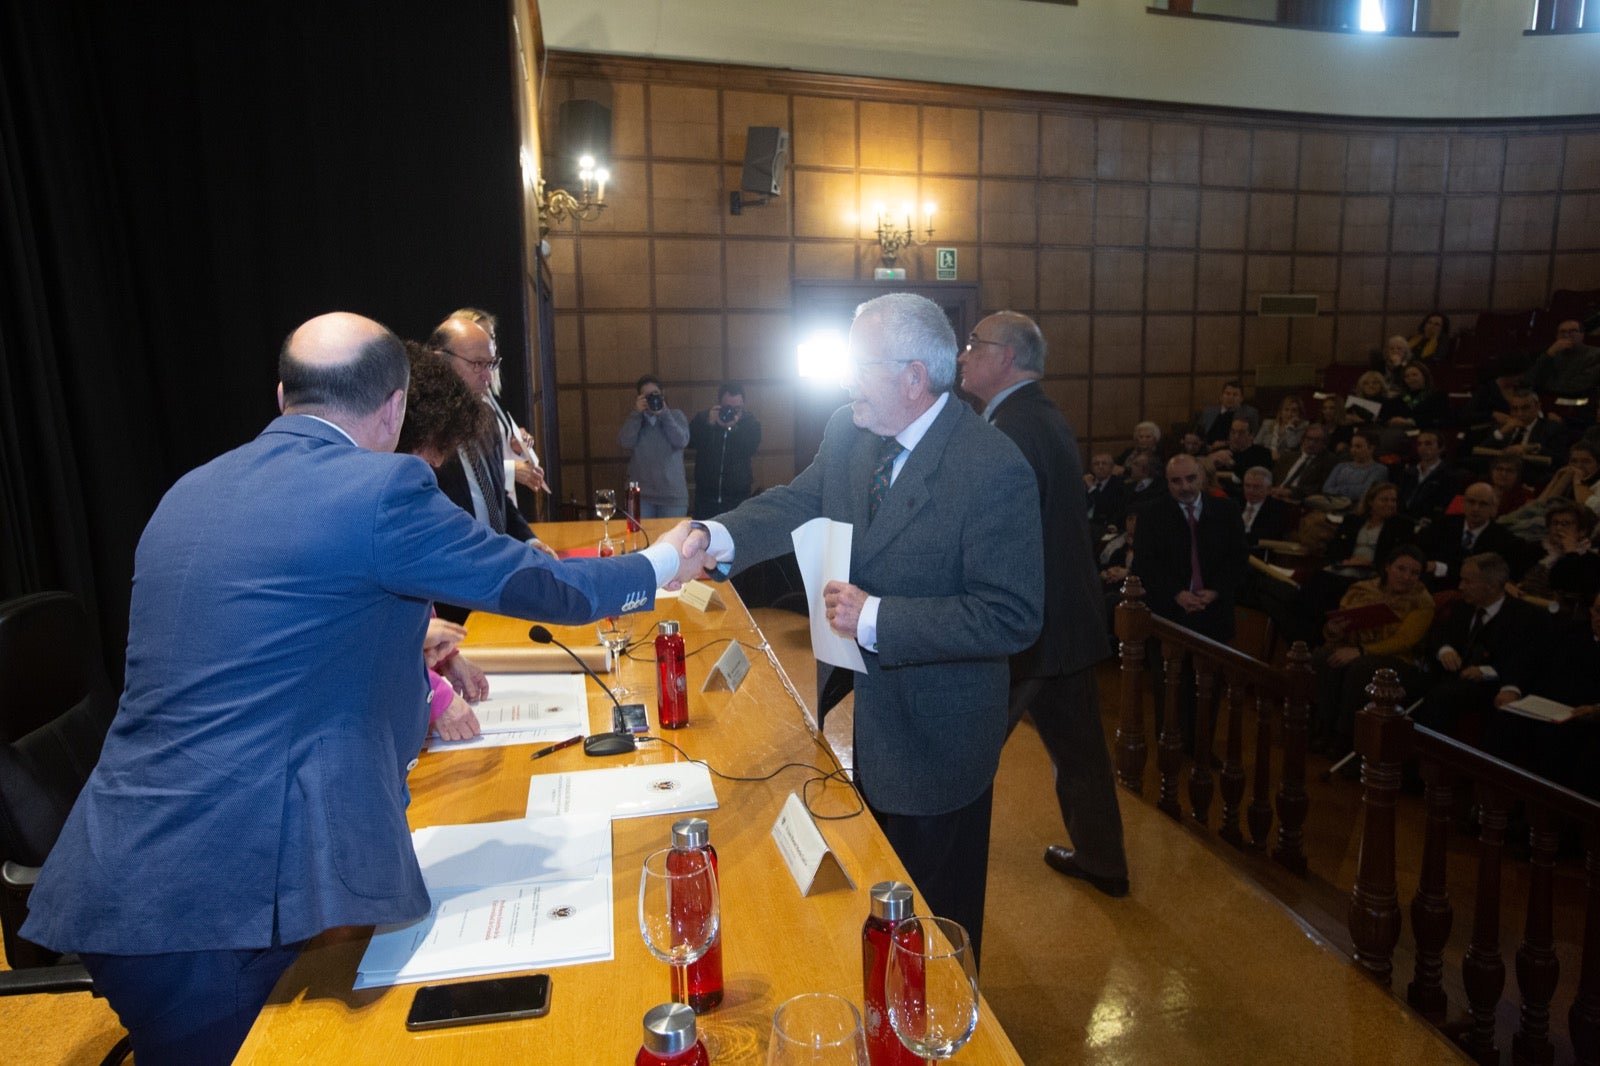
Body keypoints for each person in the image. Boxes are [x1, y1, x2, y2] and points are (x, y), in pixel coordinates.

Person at [18, 313, 708, 1065]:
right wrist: (660, 565)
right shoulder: (379, 489)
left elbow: (273, 647)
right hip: (222, 904)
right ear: (393, 407)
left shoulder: (192, 488)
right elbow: (537, 585)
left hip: (127, 870)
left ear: (284, 394)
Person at [690, 293, 1043, 965]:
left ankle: (942, 1028)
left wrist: (876, 616)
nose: (846, 381)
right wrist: (716, 534)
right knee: (886, 900)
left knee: (938, 925)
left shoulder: (991, 467)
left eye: (859, 365)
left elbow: (1012, 614)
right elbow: (798, 501)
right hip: (871, 725)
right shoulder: (850, 432)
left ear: (913, 377)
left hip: (942, 739)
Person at [958, 310, 1129, 899]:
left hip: (1027, 625)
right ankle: (1104, 861)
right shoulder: (1037, 415)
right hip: (1068, 619)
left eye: (974, 344)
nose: (962, 355)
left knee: (963, 749)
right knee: (1080, 751)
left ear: (1006, 357)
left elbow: (997, 537)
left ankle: (931, 865)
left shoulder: (1010, 427)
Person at [426, 316, 541, 543]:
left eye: (491, 364)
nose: (488, 377)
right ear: (440, 363)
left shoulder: (486, 419)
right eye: (478, 364)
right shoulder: (423, 432)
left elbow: (498, 500)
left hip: (498, 560)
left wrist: (530, 541)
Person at [1311, 545, 1434, 756]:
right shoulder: (1363, 589)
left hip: (1398, 659)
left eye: (1414, 573)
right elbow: (1341, 625)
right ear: (1387, 567)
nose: (1406, 576)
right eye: (1401, 569)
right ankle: (1321, 727)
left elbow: (1404, 641)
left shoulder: (1422, 602)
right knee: (1324, 656)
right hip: (1355, 646)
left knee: (1361, 668)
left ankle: (1345, 737)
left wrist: (1361, 650)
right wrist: (1334, 629)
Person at [1414, 553, 1547, 737]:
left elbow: (1523, 660)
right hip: (1450, 674)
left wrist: (1486, 671)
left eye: (1468, 582)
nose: (1461, 587)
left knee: (1443, 696)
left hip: (1489, 684)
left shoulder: (1523, 616)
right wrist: (1445, 649)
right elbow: (1439, 635)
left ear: (1491, 586)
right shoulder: (1462, 606)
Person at [447, 307, 548, 500]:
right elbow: (463, 469)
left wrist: (515, 445)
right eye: (483, 336)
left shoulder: (487, 393)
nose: (489, 343)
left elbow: (492, 452)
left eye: (492, 337)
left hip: (500, 503)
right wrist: (511, 470)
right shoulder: (450, 407)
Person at [1418, 481, 1529, 590]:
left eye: (1483, 504)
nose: (1476, 508)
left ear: (1494, 507)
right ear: (1463, 503)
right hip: (1433, 586)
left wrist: (1442, 567)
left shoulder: (1506, 540)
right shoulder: (1441, 524)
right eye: (1471, 502)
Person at [619, 374, 691, 518]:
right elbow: (625, 442)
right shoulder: (636, 420)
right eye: (646, 396)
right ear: (639, 398)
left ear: (663, 395)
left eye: (655, 395)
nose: (651, 399)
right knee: (640, 540)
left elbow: (681, 441)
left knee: (672, 540)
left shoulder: (676, 416)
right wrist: (636, 414)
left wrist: (664, 414)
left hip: (672, 497)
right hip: (642, 496)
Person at [687, 381, 762, 518]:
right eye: (728, 408)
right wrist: (708, 424)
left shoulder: (750, 424)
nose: (732, 413)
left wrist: (733, 428)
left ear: (743, 406)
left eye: (737, 409)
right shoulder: (705, 419)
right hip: (706, 498)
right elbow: (689, 442)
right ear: (719, 405)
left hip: (738, 498)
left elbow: (750, 447)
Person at [1312, 428, 1389, 512]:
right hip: (1330, 506)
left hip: (1356, 510)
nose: (1353, 450)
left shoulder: (1379, 469)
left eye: (1358, 447)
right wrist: (1348, 491)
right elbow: (1326, 488)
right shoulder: (1341, 466)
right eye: (1352, 446)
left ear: (1371, 448)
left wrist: (1337, 490)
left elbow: (1364, 492)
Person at [1521, 319, 1600, 400]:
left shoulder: (1595, 355)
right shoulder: (1552, 353)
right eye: (1562, 332)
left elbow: (1576, 387)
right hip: (1547, 399)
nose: (1566, 335)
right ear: (1557, 336)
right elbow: (1529, 380)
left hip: (1576, 402)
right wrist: (1548, 355)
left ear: (1582, 335)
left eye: (1573, 331)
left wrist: (1543, 386)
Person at [1395, 429, 1460, 523]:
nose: (1422, 448)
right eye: (1419, 444)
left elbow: (1443, 505)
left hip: (1426, 521)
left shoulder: (1449, 475)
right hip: (1401, 518)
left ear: (1440, 448)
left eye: (1428, 444)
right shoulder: (1408, 472)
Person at [1269, 422, 1338, 503]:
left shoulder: (1329, 461)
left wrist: (1290, 492)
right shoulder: (1288, 457)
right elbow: (1272, 476)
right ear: (1303, 439)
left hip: (1298, 501)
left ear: (1324, 444)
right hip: (1273, 496)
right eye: (1309, 439)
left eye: (1316, 440)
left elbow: (1319, 488)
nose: (1311, 443)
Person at [1211, 418, 1273, 495]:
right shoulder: (1219, 451)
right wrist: (1211, 459)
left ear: (1251, 435)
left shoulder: (1262, 453)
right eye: (1233, 432)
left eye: (1241, 433)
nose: (1236, 436)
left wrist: (1231, 463)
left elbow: (1252, 478)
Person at [1196, 380, 1259, 446]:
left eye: (1235, 395)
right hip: (1207, 451)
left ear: (1241, 399)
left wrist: (1225, 444)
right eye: (1227, 394)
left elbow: (1253, 438)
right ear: (1221, 397)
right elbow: (1197, 435)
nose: (1231, 397)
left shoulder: (1249, 413)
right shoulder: (1209, 412)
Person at [1084, 451, 1129, 536]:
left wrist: (1092, 488)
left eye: (1104, 463)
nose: (1100, 466)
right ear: (1092, 468)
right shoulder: (1086, 482)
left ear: (1112, 467)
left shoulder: (1118, 484)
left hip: (1104, 525)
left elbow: (1104, 507)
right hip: (1084, 524)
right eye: (1096, 464)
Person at [1255, 395, 1307, 460]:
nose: (1289, 414)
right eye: (1286, 410)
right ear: (1281, 411)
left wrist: (1290, 426)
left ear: (1299, 413)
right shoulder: (1267, 424)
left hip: (1283, 463)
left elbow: (1291, 445)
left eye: (1294, 411)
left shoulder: (1301, 428)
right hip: (1263, 460)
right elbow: (1256, 444)